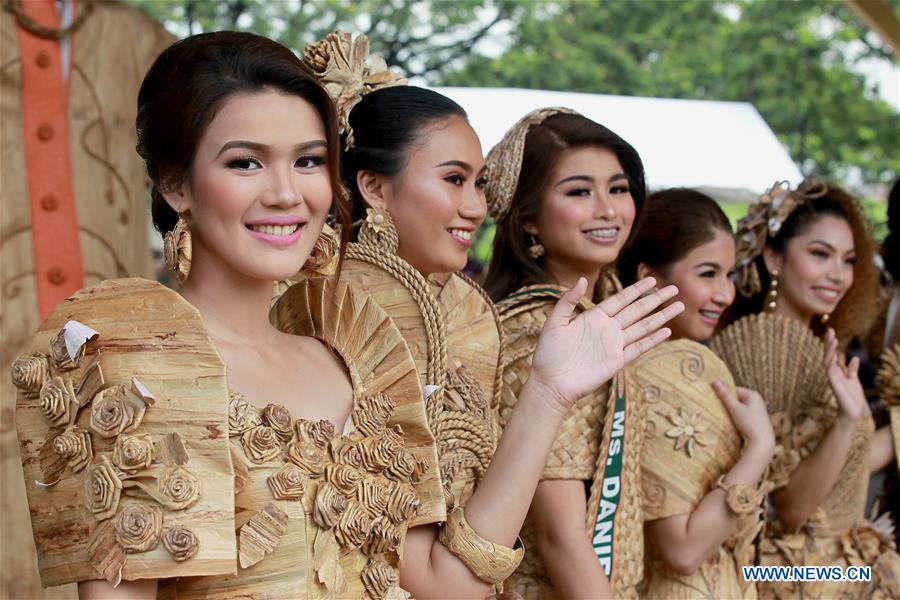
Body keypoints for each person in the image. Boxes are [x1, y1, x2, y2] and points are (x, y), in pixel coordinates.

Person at [12, 31, 682, 600]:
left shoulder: (356, 359)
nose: (287, 193)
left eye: (308, 161)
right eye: (245, 162)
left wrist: (547, 394)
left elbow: (447, 584)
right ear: (175, 183)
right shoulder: (136, 360)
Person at [287, 33, 684, 599]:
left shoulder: (469, 313)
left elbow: (472, 537)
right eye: (454, 180)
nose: (476, 207)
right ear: (374, 187)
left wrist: (548, 393)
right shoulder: (321, 312)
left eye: (479, 183)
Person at [483, 108, 661, 598]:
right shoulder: (537, 329)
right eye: (579, 192)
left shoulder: (605, 304)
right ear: (529, 219)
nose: (607, 210)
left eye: (618, 189)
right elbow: (560, 536)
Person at [711, 179, 900, 598]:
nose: (839, 275)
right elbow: (790, 510)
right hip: (795, 577)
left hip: (839, 566)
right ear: (774, 257)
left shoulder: (820, 347)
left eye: (849, 260)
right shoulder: (761, 350)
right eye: (820, 254)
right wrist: (847, 421)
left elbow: (845, 467)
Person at [618, 188, 775, 598]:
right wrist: (759, 447)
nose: (727, 294)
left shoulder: (673, 362)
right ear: (649, 278)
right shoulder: (658, 371)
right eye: (708, 274)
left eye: (729, 275)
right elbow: (683, 549)